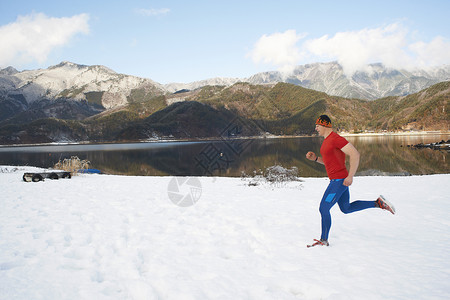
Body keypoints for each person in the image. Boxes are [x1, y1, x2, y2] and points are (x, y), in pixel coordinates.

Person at [305, 115, 395, 247]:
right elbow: (329, 163)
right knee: (346, 208)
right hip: (338, 180)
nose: (316, 128)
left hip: (339, 181)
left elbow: (354, 154)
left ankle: (324, 240)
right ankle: (377, 203)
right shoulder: (326, 141)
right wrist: (315, 159)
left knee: (324, 208)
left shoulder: (336, 139)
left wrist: (350, 176)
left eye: (317, 126)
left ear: (325, 125)